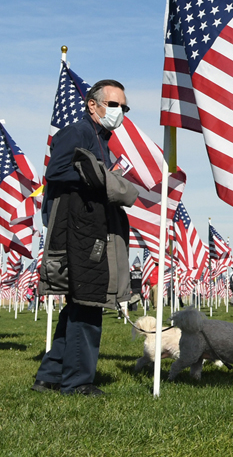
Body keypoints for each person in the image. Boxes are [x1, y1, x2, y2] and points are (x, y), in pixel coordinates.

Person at [34, 80, 138, 396]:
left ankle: (50, 375)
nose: (120, 112)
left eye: (125, 107)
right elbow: (57, 171)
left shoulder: (101, 140)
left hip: (90, 230)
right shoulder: (77, 132)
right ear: (93, 105)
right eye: (115, 104)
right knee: (89, 302)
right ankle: (78, 382)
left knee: (80, 305)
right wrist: (109, 181)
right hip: (79, 231)